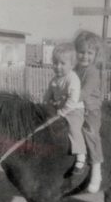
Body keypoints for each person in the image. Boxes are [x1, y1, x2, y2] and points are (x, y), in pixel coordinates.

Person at [44, 43, 87, 173]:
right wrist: (46, 104)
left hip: (74, 110)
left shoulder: (72, 79)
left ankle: (81, 155)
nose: (58, 67)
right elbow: (47, 95)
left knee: (74, 129)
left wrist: (62, 112)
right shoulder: (54, 80)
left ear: (72, 65)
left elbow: (73, 100)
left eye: (62, 63)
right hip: (59, 109)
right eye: (55, 63)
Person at [74, 30, 104, 193]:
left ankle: (96, 170)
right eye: (81, 52)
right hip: (75, 107)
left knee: (90, 131)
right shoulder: (75, 69)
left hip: (89, 109)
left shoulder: (93, 72)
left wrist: (69, 100)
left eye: (89, 53)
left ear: (95, 54)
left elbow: (84, 93)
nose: (85, 56)